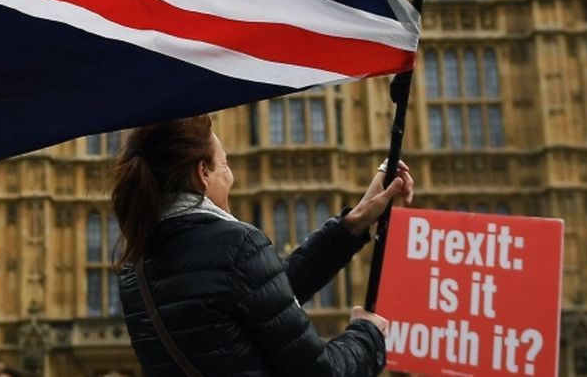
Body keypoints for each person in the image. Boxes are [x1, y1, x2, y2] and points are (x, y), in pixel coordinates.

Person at [112, 115, 414, 377]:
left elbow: (260, 300)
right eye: (225, 165)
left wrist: (354, 223)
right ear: (202, 174)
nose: (232, 177)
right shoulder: (237, 245)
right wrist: (367, 334)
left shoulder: (134, 270)